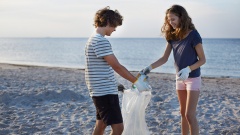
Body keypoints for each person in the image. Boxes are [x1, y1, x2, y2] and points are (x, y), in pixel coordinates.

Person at [140, 5, 206, 135]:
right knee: (182, 113)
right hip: (179, 78)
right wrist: (148, 68)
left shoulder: (194, 35)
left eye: (173, 19)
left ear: (181, 17)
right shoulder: (172, 36)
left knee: (190, 115)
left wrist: (188, 69)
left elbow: (202, 59)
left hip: (192, 78)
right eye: (169, 20)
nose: (171, 22)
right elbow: (164, 58)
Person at [85, 6, 148, 135]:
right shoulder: (100, 41)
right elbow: (117, 66)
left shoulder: (92, 39)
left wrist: (114, 84)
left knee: (101, 124)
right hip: (104, 92)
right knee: (118, 128)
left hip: (99, 89)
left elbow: (97, 68)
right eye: (115, 26)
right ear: (108, 22)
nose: (114, 30)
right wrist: (137, 82)